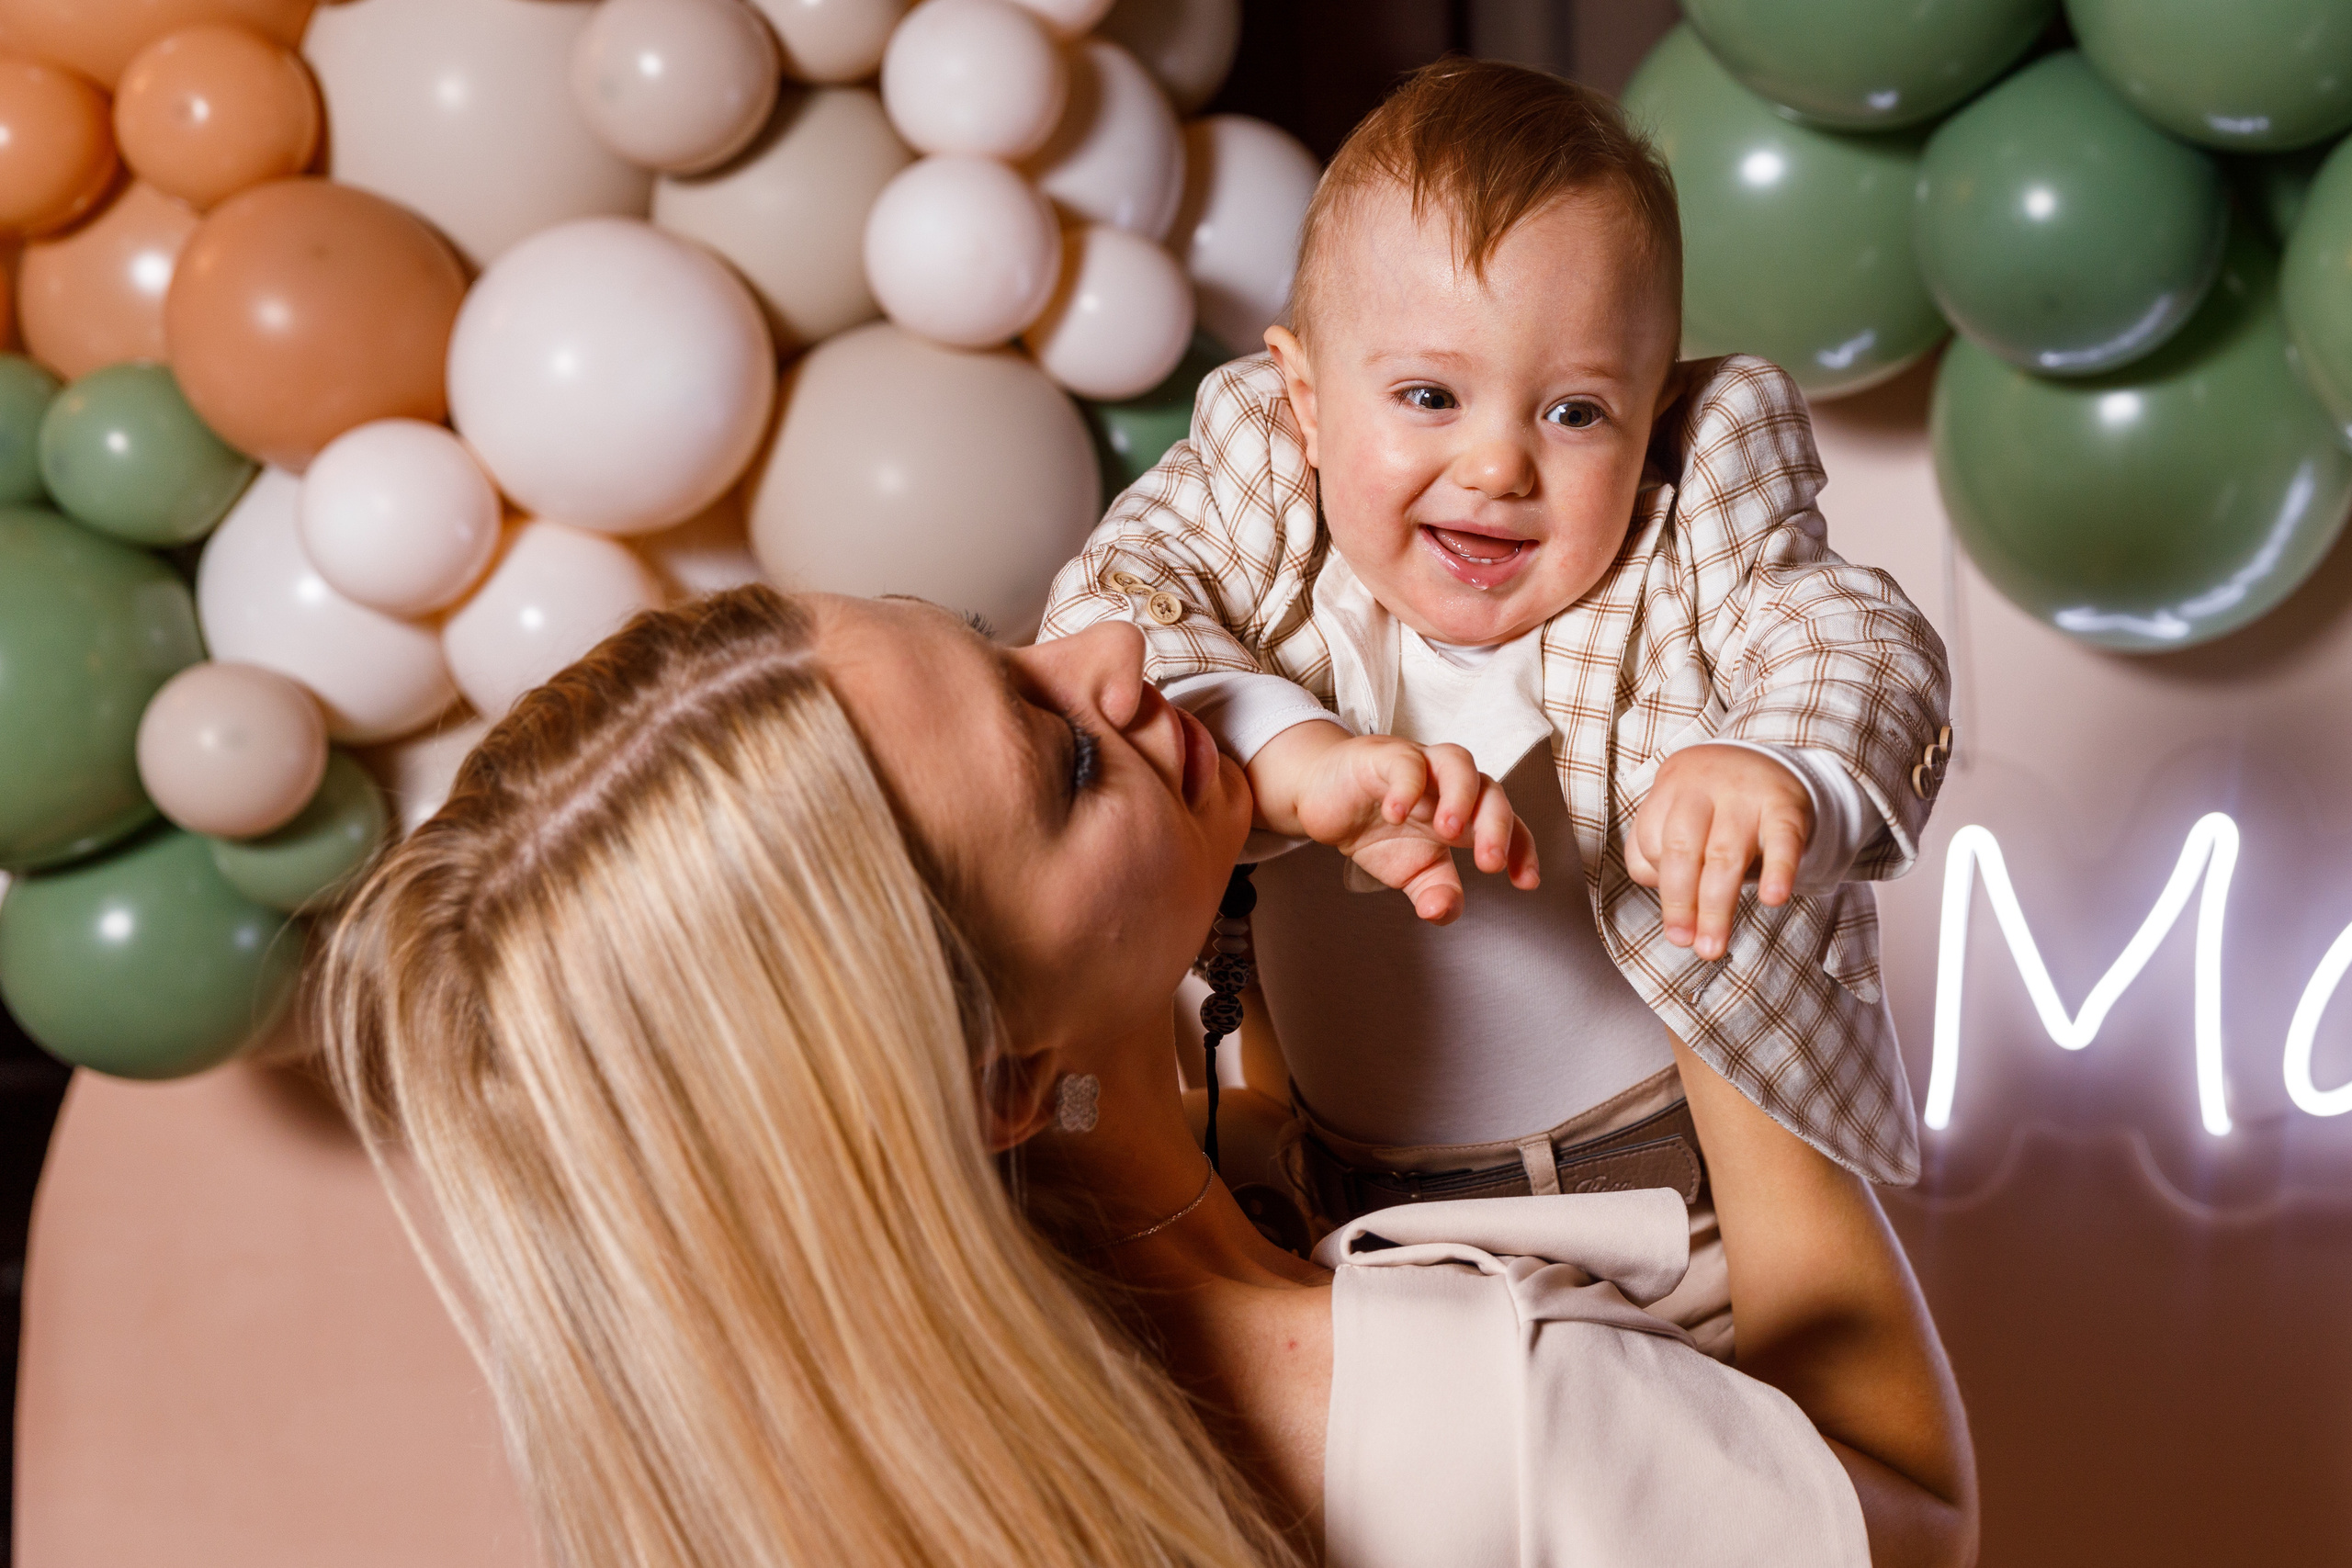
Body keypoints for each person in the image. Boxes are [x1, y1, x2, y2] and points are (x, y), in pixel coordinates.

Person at [318, 587, 1974, 1568]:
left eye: (999, 644)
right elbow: (1911, 1517)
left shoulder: (927, 1407)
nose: (1112, 659)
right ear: (992, 1084)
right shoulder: (1473, 1408)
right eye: (1057, 760)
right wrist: (1713, 954)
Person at [1037, 60, 1954, 1351]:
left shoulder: (1687, 527)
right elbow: (1107, 625)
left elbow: (1856, 640)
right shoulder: (1258, 506)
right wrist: (1294, 759)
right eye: (1428, 396)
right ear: (1305, 400)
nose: (1498, 464)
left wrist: (1778, 765)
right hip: (1349, 1233)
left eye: (1577, 411)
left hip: (1670, 1241)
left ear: (1652, 424)